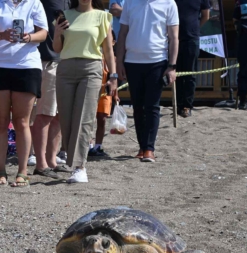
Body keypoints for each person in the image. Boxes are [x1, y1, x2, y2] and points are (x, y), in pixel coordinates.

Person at [0, 0, 48, 187]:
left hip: (26, 65)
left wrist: (28, 37)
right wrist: (2, 34)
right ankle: (0, 170)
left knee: (22, 121)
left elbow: (43, 33)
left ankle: (22, 171)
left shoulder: (34, 3)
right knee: (0, 120)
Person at [53, 0, 116, 183]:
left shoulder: (102, 16)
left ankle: (79, 167)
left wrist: (113, 76)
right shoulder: (64, 15)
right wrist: (57, 33)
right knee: (66, 118)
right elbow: (57, 48)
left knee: (84, 117)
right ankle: (72, 161)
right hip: (65, 68)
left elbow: (108, 50)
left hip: (91, 68)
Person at [116, 0, 179, 163]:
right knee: (137, 106)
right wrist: (119, 62)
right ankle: (142, 146)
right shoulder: (130, 3)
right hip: (132, 61)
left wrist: (172, 66)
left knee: (152, 105)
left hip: (157, 61)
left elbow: (174, 37)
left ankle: (149, 148)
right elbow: (122, 33)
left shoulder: (169, 3)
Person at [30, 0, 70, 180]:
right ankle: (41, 163)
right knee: (45, 114)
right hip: (46, 60)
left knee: (58, 115)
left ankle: (51, 160)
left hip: (65, 60)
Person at [175, 0, 209, 117]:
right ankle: (178, 105)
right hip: (175, 39)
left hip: (192, 39)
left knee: (190, 74)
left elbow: (206, 16)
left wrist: (194, 28)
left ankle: (187, 106)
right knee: (177, 74)